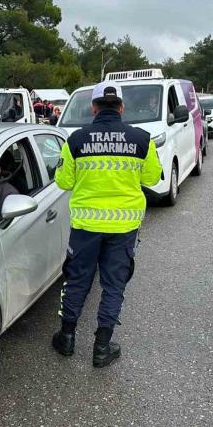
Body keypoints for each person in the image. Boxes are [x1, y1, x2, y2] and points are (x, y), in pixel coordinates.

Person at [53, 80, 162, 367]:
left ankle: (67, 338)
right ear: (122, 107)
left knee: (77, 280)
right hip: (123, 228)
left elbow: (63, 181)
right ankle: (102, 348)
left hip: (85, 227)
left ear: (94, 107)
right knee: (114, 285)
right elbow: (152, 177)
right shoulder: (142, 140)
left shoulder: (76, 140)